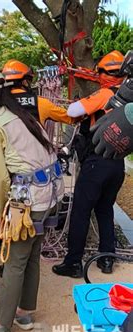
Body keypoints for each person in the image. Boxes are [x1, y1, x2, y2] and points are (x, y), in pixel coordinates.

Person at [0, 69, 64, 332]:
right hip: (50, 193)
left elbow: (0, 176)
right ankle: (24, 312)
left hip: (29, 199)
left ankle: (0, 322)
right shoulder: (22, 115)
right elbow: (9, 158)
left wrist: (1, 212)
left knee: (14, 260)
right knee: (32, 255)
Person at [52, 50, 126, 278]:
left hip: (96, 163)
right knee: (104, 210)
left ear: (105, 74)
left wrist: (84, 102)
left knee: (81, 212)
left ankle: (73, 262)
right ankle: (107, 258)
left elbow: (73, 111)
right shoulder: (129, 96)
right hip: (117, 164)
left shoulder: (106, 94)